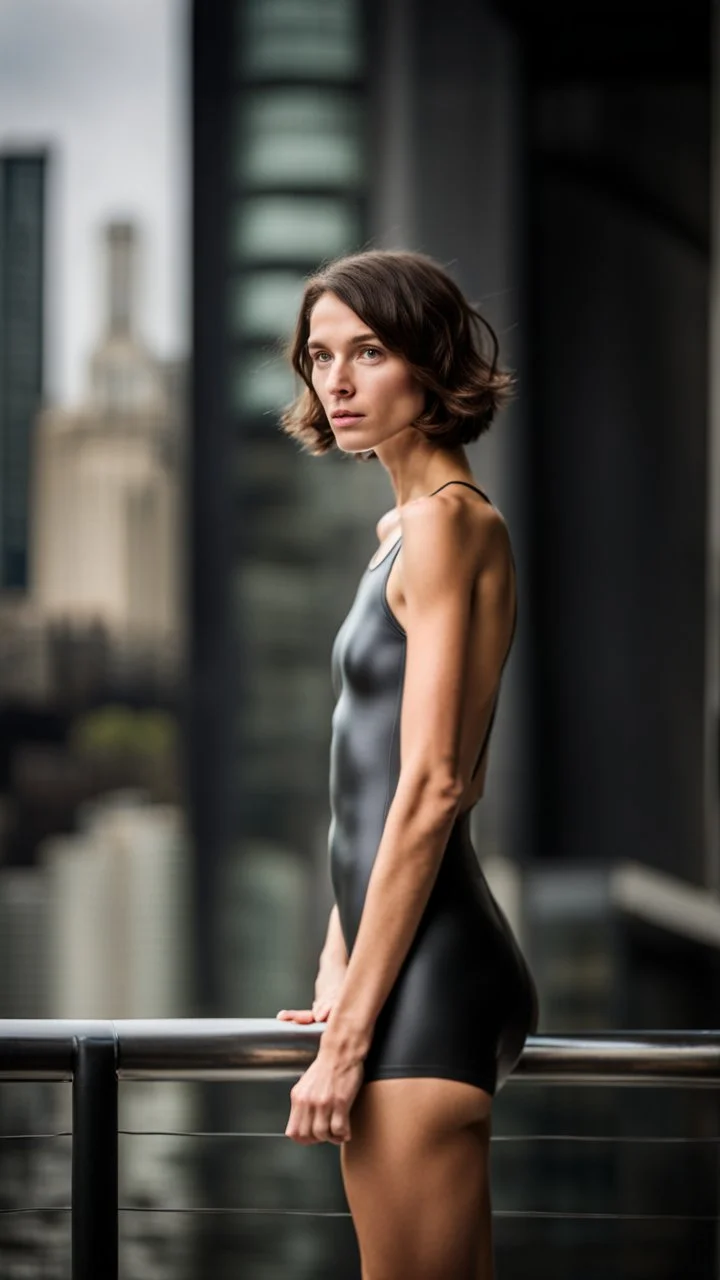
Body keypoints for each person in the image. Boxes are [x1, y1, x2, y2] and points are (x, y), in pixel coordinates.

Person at [275, 249, 538, 1280]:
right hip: (413, 973)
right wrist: (340, 966)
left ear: (428, 363)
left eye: (368, 352)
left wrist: (350, 1041)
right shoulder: (405, 531)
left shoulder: (446, 525)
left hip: (430, 983)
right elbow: (372, 784)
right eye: (318, 356)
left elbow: (434, 786)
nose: (335, 382)